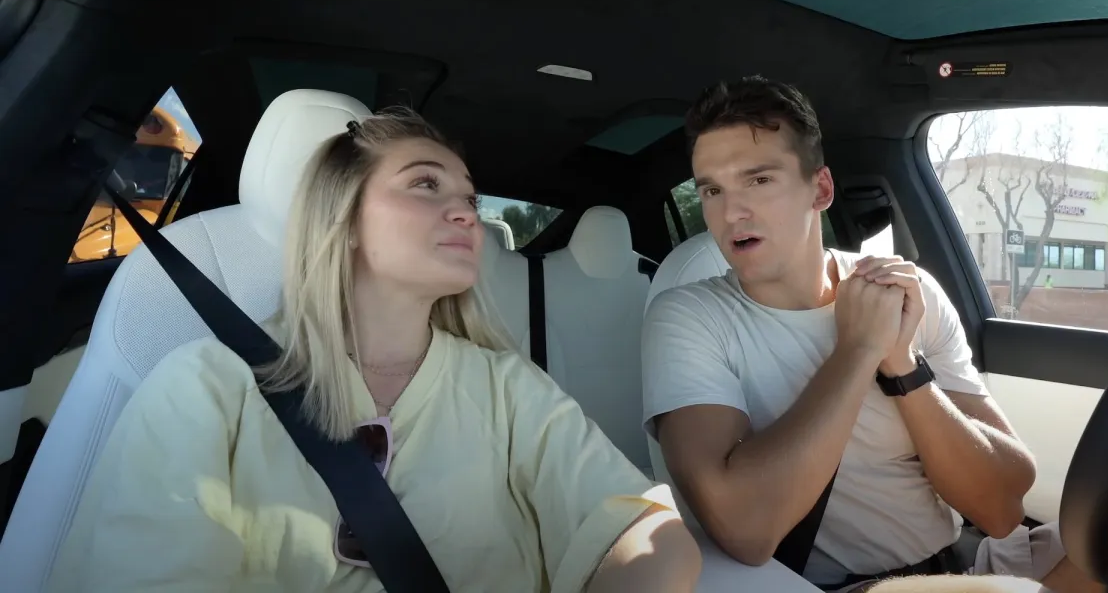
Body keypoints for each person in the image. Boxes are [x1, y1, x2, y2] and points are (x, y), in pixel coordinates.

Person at [49, 107, 701, 592]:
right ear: (345, 218)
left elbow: (642, 530)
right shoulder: (206, 386)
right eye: (426, 185)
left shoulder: (509, 387)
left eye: (470, 198)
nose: (466, 212)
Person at [642, 76, 1104, 593]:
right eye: (712, 190)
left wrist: (903, 365)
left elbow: (1002, 509)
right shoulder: (690, 318)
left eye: (759, 180)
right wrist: (858, 349)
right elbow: (744, 530)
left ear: (820, 190)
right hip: (848, 586)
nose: (731, 212)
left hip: (967, 560)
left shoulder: (904, 290)